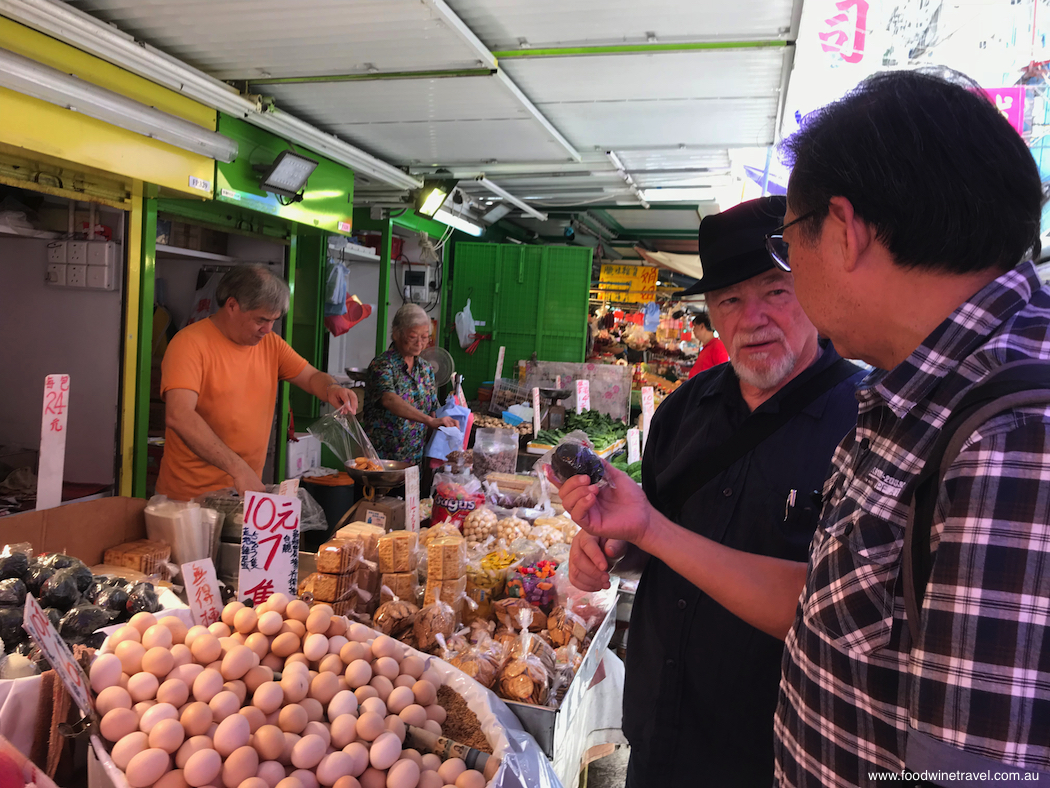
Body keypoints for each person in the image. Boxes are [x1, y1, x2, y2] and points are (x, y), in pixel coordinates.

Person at [557, 70, 1050, 786]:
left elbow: (974, 776)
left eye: (787, 258)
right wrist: (641, 533)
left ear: (844, 232)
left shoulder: (1012, 439)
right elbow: (830, 603)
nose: (753, 315)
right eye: (729, 299)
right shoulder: (907, 403)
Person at [568, 196, 864, 787]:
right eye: (730, 299)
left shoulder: (862, 423)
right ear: (712, 311)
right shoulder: (683, 410)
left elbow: (840, 613)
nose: (752, 317)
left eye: (775, 292)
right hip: (660, 736)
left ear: (811, 287)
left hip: (773, 755)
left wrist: (649, 531)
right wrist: (613, 547)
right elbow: (654, 532)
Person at [158, 264, 358, 501]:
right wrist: (238, 468)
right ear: (232, 305)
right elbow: (179, 415)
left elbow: (312, 377)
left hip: (241, 493)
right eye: (261, 320)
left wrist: (331, 388)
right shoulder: (190, 344)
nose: (268, 329)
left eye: (273, 320)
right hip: (189, 499)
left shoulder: (270, 344)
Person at [361, 304, 457, 465]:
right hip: (382, 460)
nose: (420, 343)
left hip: (414, 461)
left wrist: (449, 423)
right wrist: (429, 420)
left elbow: (432, 409)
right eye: (413, 336)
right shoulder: (383, 365)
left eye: (425, 337)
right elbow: (389, 399)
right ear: (397, 334)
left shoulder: (426, 369)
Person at [686, 311, 729, 378]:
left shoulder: (718, 346)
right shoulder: (706, 347)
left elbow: (722, 374)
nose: (693, 330)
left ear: (702, 326)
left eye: (695, 327)